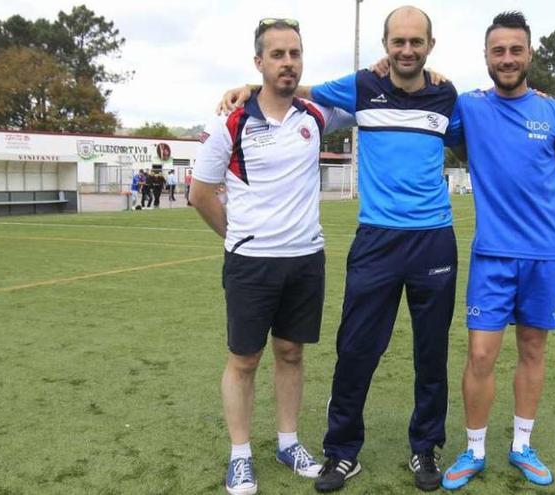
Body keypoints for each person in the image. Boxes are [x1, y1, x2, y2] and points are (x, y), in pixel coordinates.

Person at [218, 7, 459, 492]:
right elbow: (294, 89)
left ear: (430, 45)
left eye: (416, 42)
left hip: (434, 239)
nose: (407, 50)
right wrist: (247, 86)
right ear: (386, 45)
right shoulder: (362, 86)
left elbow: (488, 119)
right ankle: (342, 452)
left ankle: (425, 448)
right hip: (376, 240)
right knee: (355, 350)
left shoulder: (447, 94)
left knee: (430, 353)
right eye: (399, 41)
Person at [439, 11, 555, 490]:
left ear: (529, 54)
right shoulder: (468, 108)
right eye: (498, 51)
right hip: (492, 255)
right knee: (482, 355)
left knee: (533, 348)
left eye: (516, 50)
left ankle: (521, 445)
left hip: (545, 256)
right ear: (486, 57)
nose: (507, 58)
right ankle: (473, 450)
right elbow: (422, 111)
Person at [193, 17, 353, 495]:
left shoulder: (316, 116)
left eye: (294, 54)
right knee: (244, 359)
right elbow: (201, 193)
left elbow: (369, 101)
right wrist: (237, 237)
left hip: (306, 258)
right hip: (251, 262)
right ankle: (240, 455)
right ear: (258, 62)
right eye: (277, 55)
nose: (287, 62)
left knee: (291, 352)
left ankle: (288, 441)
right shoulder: (231, 122)